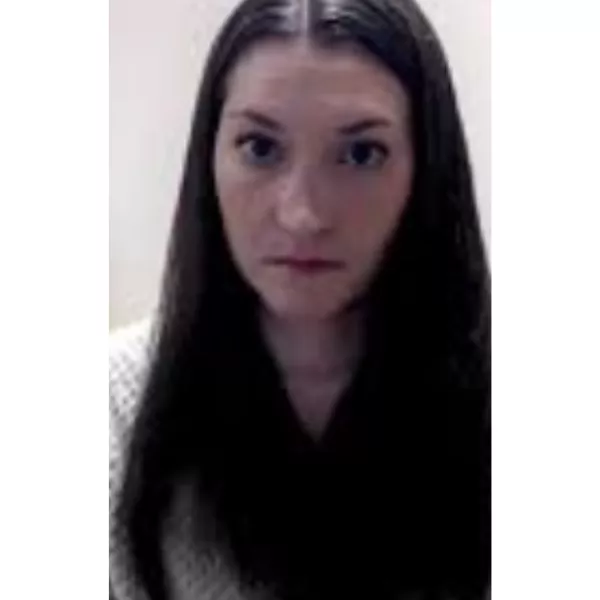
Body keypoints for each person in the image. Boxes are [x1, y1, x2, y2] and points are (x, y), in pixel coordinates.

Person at [109, 0, 491, 599]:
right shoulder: (106, 413)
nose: (304, 214)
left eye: (361, 154)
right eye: (260, 148)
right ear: (209, 157)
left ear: (426, 170)